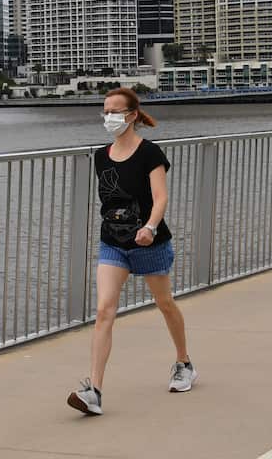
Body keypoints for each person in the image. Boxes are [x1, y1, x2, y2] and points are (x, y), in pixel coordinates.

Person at [67, 87, 196, 416]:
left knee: (165, 304)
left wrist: (149, 227)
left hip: (149, 241)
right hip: (112, 242)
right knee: (104, 310)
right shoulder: (101, 156)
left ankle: (184, 362)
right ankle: (94, 390)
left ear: (132, 115)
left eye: (115, 111)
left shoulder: (150, 153)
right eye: (105, 111)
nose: (109, 117)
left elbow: (160, 197)